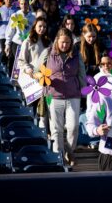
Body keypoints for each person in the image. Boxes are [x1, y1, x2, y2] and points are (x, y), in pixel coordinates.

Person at [45, 28, 86, 166]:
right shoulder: (48, 52)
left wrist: (83, 90)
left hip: (73, 95)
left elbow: (81, 73)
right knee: (56, 128)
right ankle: (59, 156)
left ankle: (70, 151)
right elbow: (37, 69)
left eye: (68, 42)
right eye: (63, 42)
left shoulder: (76, 54)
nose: (65, 45)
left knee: (73, 127)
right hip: (54, 96)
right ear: (57, 40)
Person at [17, 16, 51, 129]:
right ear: (35, 26)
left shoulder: (48, 42)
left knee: (40, 107)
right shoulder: (28, 41)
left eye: (44, 27)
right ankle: (27, 128)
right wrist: (28, 69)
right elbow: (21, 60)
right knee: (30, 105)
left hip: (43, 78)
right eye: (40, 26)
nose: (42, 29)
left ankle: (37, 130)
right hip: (30, 79)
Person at [5, 0, 36, 75]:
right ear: (19, 4)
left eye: (25, 4)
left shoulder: (33, 16)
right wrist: (7, 44)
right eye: (22, 4)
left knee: (25, 64)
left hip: (27, 44)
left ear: (28, 4)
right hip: (16, 43)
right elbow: (10, 30)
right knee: (15, 64)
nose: (24, 5)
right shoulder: (15, 15)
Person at [0, 0, 18, 64]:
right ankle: (3, 68)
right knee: (4, 53)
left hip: (13, 35)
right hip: (3, 35)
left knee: (11, 55)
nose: (8, 0)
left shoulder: (16, 10)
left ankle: (9, 71)